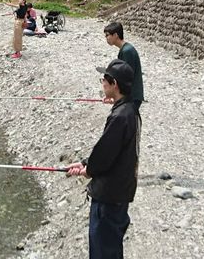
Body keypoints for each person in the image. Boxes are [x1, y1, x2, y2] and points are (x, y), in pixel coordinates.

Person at [66, 59, 140, 259]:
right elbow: (108, 149)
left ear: (114, 84)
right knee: (111, 249)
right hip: (120, 192)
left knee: (102, 251)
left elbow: (105, 155)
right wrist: (84, 162)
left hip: (109, 197)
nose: (102, 83)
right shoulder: (130, 109)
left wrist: (87, 170)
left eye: (104, 80)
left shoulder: (119, 117)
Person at [103, 21, 143, 114]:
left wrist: (119, 97)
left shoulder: (127, 51)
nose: (106, 38)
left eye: (107, 35)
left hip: (132, 96)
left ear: (116, 35)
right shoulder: (125, 49)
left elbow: (126, 77)